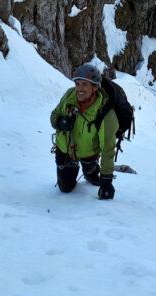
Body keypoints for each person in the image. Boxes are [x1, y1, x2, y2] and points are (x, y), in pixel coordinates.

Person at [50, 63, 118, 199]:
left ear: (95, 87)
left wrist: (106, 181)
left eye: (84, 84)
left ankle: (90, 171)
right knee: (65, 188)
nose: (79, 89)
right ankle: (74, 166)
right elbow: (54, 115)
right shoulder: (69, 95)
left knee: (93, 178)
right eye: (77, 84)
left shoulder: (104, 112)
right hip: (65, 150)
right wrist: (60, 122)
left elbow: (108, 149)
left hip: (89, 152)